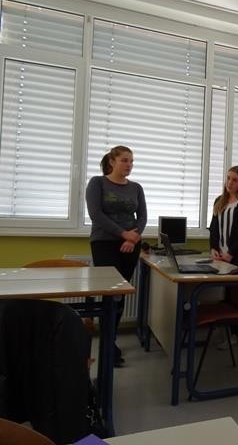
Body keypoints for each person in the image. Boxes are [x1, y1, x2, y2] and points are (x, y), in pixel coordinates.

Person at [86, 145, 147, 366]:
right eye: (124, 160)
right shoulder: (97, 183)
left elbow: (142, 217)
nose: (129, 165)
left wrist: (133, 238)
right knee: (109, 294)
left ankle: (110, 340)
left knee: (120, 294)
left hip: (131, 245)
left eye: (131, 161)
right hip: (104, 243)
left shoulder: (136, 187)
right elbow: (96, 214)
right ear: (112, 162)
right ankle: (107, 345)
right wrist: (123, 234)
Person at [209, 165, 238, 266]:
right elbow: (213, 228)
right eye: (228, 178)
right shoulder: (219, 200)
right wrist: (213, 248)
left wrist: (231, 253)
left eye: (235, 180)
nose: (230, 182)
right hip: (220, 254)